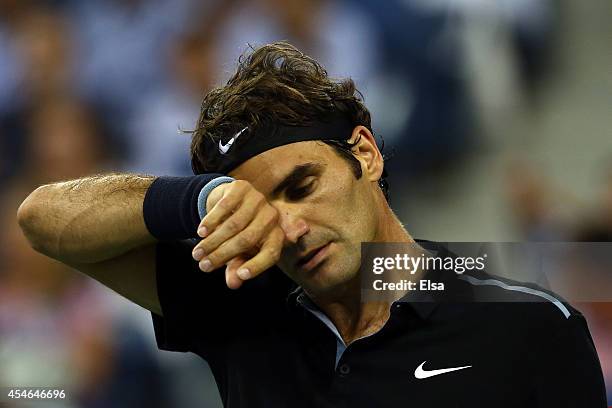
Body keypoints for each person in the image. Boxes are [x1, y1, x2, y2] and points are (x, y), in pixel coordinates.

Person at [17, 42, 606, 407]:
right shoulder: (241, 303)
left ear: (366, 154)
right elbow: (42, 218)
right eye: (262, 210)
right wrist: (199, 199)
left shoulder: (530, 328)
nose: (292, 229)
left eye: (301, 187)